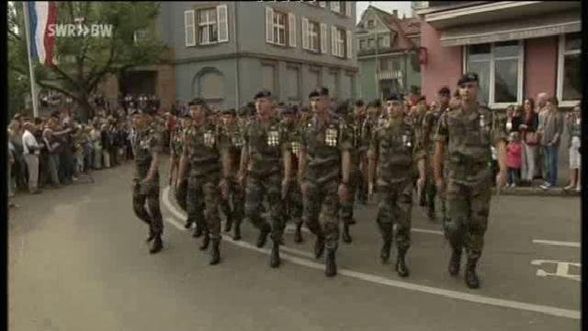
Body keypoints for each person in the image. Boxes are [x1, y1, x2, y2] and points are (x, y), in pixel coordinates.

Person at [433, 72, 508, 289]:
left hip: (480, 179)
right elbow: (438, 149)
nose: (467, 90)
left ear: (477, 90)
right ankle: (456, 251)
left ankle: (471, 267)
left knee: (477, 225)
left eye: (471, 86)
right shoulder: (448, 117)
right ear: (459, 90)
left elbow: (500, 142)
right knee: (454, 225)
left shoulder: (488, 116)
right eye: (463, 87)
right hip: (455, 178)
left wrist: (503, 169)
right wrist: (437, 177)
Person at [298, 87, 352, 277]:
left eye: (318, 100)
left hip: (331, 178)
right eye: (312, 100)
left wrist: (344, 182)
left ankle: (330, 254)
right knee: (309, 219)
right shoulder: (305, 124)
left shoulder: (338, 124)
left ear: (328, 102)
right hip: (312, 178)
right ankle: (319, 236)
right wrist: (301, 178)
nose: (314, 104)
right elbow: (303, 153)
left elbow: (345, 152)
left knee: (329, 220)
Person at [239, 90, 291, 268]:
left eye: (263, 101)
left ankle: (275, 248)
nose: (259, 105)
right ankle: (263, 227)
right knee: (250, 211)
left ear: (271, 104)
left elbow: (286, 151)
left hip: (273, 174)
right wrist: (241, 171)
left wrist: (287, 177)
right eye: (257, 102)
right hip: (254, 173)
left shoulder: (280, 126)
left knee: (276, 213)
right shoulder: (249, 125)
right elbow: (245, 148)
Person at [368, 93, 416, 277]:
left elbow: (417, 153)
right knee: (384, 218)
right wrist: (370, 181)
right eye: (388, 105)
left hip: (404, 182)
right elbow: (373, 157)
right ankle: (387, 241)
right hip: (385, 182)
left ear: (403, 107)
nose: (391, 108)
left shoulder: (410, 130)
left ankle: (401, 259)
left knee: (403, 222)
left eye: (395, 104)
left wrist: (420, 177)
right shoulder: (379, 131)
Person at [177, 98, 227, 265]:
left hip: (211, 177)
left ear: (204, 110)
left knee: (212, 212)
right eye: (191, 109)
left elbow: (224, 154)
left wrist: (224, 178)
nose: (194, 112)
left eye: (197, 109)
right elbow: (184, 155)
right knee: (193, 210)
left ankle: (215, 245)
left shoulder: (215, 130)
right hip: (194, 177)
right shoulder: (188, 131)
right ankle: (205, 230)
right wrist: (180, 177)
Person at [130, 106, 164, 254]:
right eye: (133, 117)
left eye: (138, 117)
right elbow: (136, 159)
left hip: (150, 175)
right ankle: (152, 225)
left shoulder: (152, 136)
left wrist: (150, 177)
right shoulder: (134, 135)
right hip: (139, 175)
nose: (135, 120)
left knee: (153, 207)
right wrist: (135, 177)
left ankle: (158, 237)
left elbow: (155, 159)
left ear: (145, 118)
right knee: (137, 208)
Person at [422, 86, 451, 222]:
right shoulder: (431, 115)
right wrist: (426, 152)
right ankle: (431, 206)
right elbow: (425, 135)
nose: (445, 98)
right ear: (438, 97)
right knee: (433, 182)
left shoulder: (452, 114)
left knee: (446, 182)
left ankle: (446, 212)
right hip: (434, 152)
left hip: (448, 153)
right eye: (442, 95)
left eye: (447, 95)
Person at [218, 107, 245, 241]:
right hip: (222, 172)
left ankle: (237, 226)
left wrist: (242, 172)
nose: (226, 120)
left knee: (238, 201)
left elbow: (242, 153)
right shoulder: (219, 133)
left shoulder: (238, 134)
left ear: (234, 118)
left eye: (228, 117)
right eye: (224, 117)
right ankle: (228, 216)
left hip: (235, 171)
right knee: (222, 199)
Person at [279, 105, 304, 243]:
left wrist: (300, 174)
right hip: (280, 172)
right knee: (280, 203)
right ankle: (280, 230)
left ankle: (298, 229)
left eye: (289, 115)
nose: (286, 118)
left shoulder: (298, 133)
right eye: (284, 116)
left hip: (294, 172)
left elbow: (299, 154)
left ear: (295, 116)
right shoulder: (278, 131)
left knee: (296, 202)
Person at [539, 97, 564, 190]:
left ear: (554, 105)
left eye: (549, 105)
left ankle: (552, 181)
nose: (547, 107)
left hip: (552, 143)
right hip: (545, 141)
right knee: (546, 162)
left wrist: (553, 141)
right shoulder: (547, 114)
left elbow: (559, 130)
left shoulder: (558, 115)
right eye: (547, 105)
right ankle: (548, 180)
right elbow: (543, 127)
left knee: (551, 162)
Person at [519, 98, 539, 185]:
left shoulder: (534, 115)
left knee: (530, 159)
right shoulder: (522, 115)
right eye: (525, 104)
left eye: (528, 104)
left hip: (530, 139)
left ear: (531, 105)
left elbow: (535, 127)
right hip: (522, 138)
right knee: (523, 160)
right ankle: (523, 178)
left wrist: (526, 127)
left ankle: (529, 178)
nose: (526, 106)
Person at [22, 120, 42, 194]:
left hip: (31, 155)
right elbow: (30, 146)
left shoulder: (28, 134)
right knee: (33, 172)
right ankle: (33, 188)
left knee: (33, 171)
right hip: (31, 155)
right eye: (32, 126)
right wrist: (39, 147)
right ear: (29, 127)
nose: (33, 128)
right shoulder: (28, 135)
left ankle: (33, 187)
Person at [564, 104, 581, 192]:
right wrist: (567, 120)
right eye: (575, 111)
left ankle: (579, 184)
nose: (576, 112)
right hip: (572, 143)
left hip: (580, 143)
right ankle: (572, 183)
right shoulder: (573, 120)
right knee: (572, 163)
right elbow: (569, 130)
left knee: (579, 164)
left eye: (578, 110)